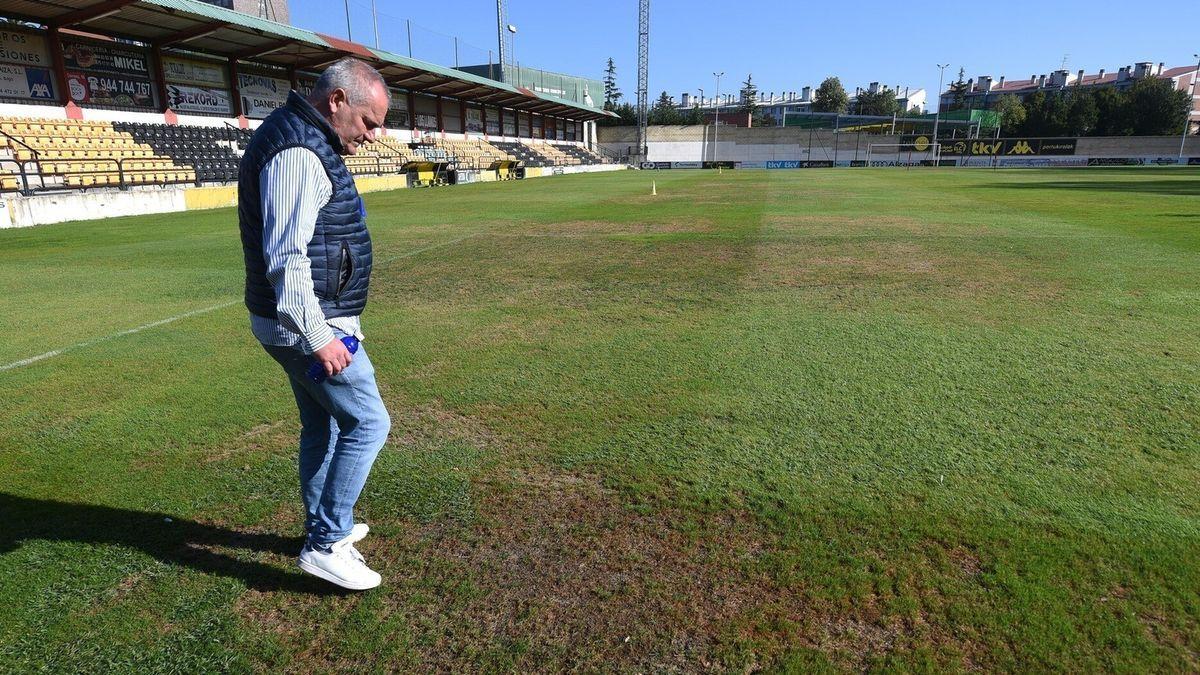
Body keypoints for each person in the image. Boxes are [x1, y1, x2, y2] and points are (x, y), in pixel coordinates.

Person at [238, 57, 391, 590]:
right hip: (307, 325)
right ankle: (327, 542)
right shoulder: (300, 152)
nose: (373, 136)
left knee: (323, 424)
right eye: (369, 123)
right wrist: (320, 334)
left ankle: (325, 528)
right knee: (369, 423)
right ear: (337, 102)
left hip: (303, 321)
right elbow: (287, 258)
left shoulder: (306, 138)